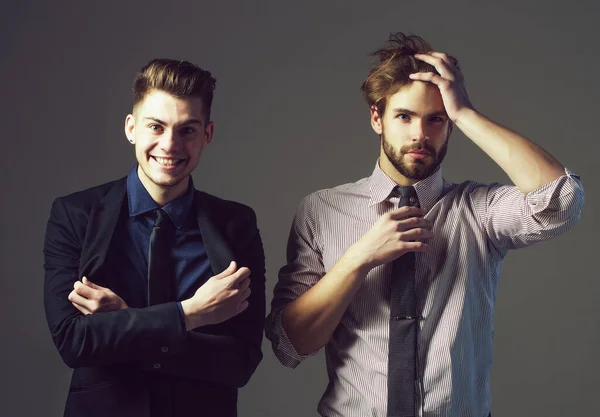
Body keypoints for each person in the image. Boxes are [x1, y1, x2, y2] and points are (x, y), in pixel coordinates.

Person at [265, 33, 584, 417]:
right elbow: (290, 344)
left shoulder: (479, 210)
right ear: (376, 118)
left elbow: (561, 200)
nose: (420, 135)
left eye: (436, 119)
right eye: (404, 116)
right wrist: (358, 259)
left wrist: (465, 112)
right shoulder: (321, 210)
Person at [43, 59, 265, 417]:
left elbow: (240, 361)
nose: (170, 144)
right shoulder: (75, 215)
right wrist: (188, 315)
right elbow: (74, 342)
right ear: (131, 128)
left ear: (207, 135)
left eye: (187, 130)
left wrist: (126, 322)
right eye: (156, 127)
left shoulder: (236, 224)